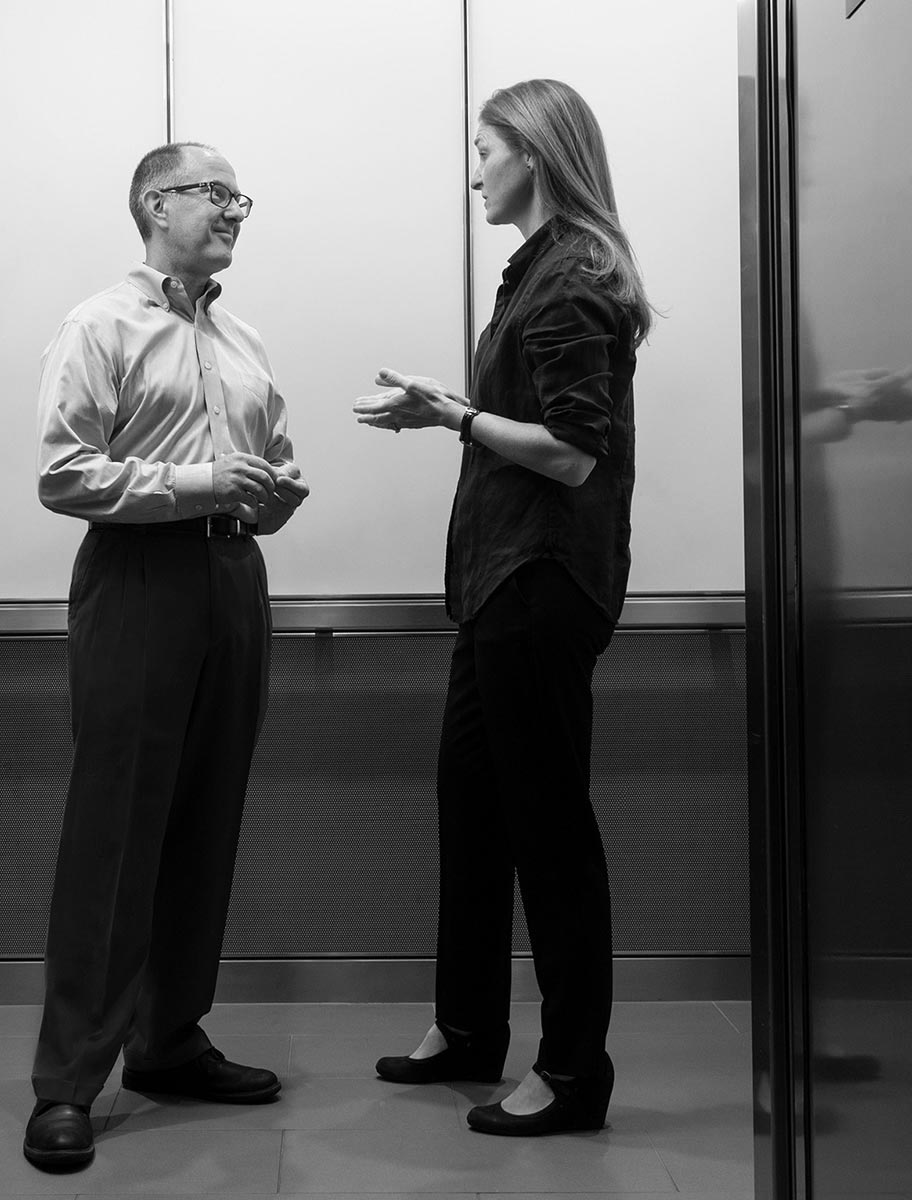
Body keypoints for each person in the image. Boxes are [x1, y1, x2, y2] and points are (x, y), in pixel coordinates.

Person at [354, 79, 650, 1136]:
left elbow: (572, 454)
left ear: (531, 152)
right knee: (473, 808)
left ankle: (572, 1075)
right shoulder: (540, 272)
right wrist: (458, 414)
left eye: (484, 149)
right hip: (500, 583)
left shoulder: (572, 279)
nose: (473, 168)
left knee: (546, 827)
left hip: (540, 581)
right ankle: (470, 1030)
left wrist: (455, 414)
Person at [24, 141, 309, 1171]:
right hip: (139, 580)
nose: (237, 208)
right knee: (115, 831)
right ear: (156, 202)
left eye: (242, 196)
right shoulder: (98, 324)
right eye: (216, 192)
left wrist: (274, 489)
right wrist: (198, 484)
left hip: (234, 584)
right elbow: (64, 474)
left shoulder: (244, 337)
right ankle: (66, 1082)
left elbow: (266, 465)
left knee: (204, 819)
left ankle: (168, 1041)